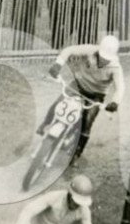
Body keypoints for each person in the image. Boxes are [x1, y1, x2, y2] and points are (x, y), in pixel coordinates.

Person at [48, 34, 124, 162]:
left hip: (96, 95)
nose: (103, 61)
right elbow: (69, 50)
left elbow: (120, 86)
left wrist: (115, 102)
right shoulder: (89, 50)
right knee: (59, 103)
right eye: (101, 56)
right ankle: (45, 126)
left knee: (87, 122)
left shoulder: (115, 67)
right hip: (78, 86)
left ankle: (77, 153)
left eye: (107, 59)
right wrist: (58, 64)